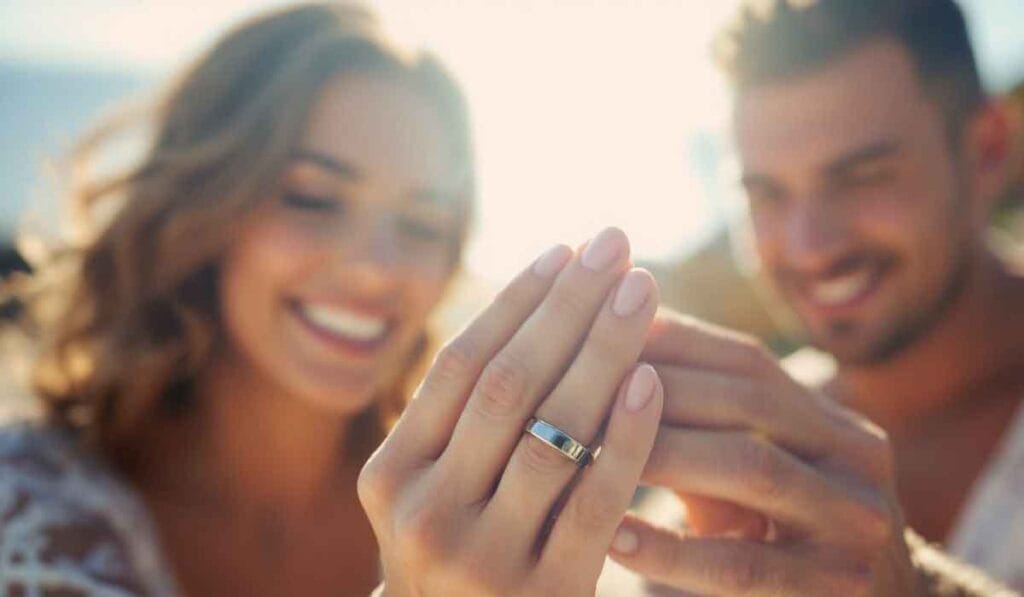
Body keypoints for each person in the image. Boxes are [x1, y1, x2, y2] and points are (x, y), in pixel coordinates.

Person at [0, 3, 475, 595]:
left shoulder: (469, 513)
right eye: (312, 197)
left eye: (424, 223)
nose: (379, 268)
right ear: (204, 207)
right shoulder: (21, 504)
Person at [598, 0, 1024, 594]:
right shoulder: (733, 471)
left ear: (987, 150)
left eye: (861, 176)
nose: (809, 247)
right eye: (766, 194)